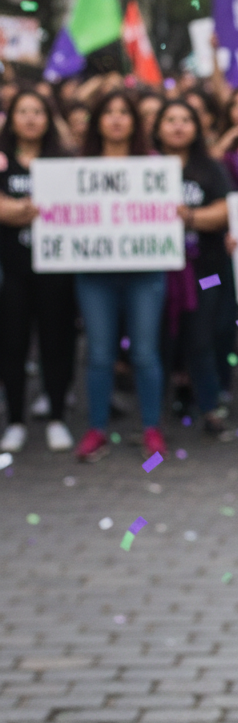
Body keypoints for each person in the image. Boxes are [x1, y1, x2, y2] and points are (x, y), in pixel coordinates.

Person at [73, 90, 168, 463]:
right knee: (99, 354)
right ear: (97, 120)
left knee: (145, 352)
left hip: (145, 272)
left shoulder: (153, 164)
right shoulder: (78, 166)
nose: (115, 119)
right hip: (95, 274)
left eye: (123, 112)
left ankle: (151, 428)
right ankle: (96, 428)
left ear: (134, 120)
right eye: (108, 112)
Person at [0, 91, 77, 453]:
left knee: (56, 343)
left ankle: (57, 416)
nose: (30, 119)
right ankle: (15, 420)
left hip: (55, 272)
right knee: (12, 345)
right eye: (23, 112)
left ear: (48, 118)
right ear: (10, 118)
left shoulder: (62, 160)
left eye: (38, 112)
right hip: (11, 270)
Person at [152, 100, 233, 438]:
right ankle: (156, 415)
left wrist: (189, 217)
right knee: (158, 340)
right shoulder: (144, 167)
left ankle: (210, 407)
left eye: (186, 119)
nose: (178, 126)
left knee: (201, 337)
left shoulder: (210, 168)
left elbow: (226, 210)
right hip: (158, 271)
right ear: (157, 127)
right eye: (170, 119)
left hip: (205, 270)